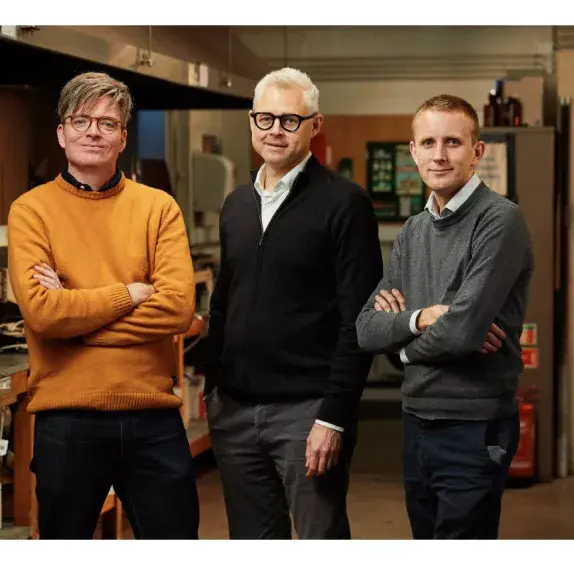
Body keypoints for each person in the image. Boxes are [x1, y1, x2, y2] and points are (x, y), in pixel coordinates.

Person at [7, 71, 198, 540]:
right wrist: (129, 294)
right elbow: (42, 313)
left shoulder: (158, 208)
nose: (93, 131)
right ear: (61, 132)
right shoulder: (30, 211)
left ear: (122, 138)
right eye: (81, 120)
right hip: (67, 418)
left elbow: (176, 309)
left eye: (107, 124)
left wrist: (72, 319)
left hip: (152, 413)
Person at [203, 67, 383, 539]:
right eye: (265, 119)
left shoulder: (345, 204)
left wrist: (333, 416)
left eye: (289, 120)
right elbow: (225, 300)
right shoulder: (237, 205)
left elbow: (357, 321)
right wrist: (212, 389)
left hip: (306, 414)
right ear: (251, 122)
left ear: (314, 125)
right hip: (236, 413)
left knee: (318, 538)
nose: (275, 131)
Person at [355, 94, 534, 539]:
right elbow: (365, 327)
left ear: (477, 152)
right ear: (412, 151)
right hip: (416, 420)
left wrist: (403, 350)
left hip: (474, 425)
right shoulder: (414, 231)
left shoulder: (499, 219)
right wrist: (420, 320)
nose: (439, 155)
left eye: (452, 142)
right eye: (428, 142)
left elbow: (462, 331)